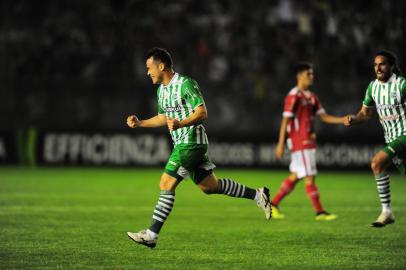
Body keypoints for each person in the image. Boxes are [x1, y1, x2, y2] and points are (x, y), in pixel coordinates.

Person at [126, 47, 272, 248]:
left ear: (161, 66)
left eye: (149, 67)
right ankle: (258, 194)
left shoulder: (185, 84)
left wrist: (181, 124)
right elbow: (163, 117)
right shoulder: (161, 90)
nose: (147, 72)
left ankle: (151, 235)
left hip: (191, 142)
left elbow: (202, 113)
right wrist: (141, 123)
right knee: (210, 187)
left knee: (166, 183)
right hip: (183, 143)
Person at [271, 62, 346, 221]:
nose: (312, 77)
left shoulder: (312, 97)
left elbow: (324, 117)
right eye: (308, 74)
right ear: (299, 76)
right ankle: (320, 212)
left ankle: (273, 204)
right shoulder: (294, 95)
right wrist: (280, 143)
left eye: (312, 74)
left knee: (297, 174)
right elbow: (285, 120)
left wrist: (342, 120)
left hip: (307, 142)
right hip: (300, 141)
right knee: (310, 176)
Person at [344, 50, 406, 228]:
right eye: (375, 65)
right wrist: (354, 120)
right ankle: (387, 212)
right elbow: (365, 114)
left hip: (404, 136)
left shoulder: (401, 85)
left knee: (377, 163)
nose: (378, 68)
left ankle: (387, 212)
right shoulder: (373, 87)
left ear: (391, 66)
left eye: (382, 64)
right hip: (391, 138)